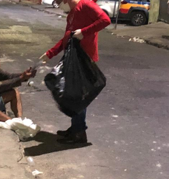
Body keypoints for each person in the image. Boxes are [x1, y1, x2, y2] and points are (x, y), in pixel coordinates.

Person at [39, 0, 110, 144]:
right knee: (74, 94)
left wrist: (84, 32)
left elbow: (105, 20)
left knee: (77, 96)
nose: (59, 5)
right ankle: (76, 128)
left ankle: (79, 132)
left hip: (83, 58)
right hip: (74, 59)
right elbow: (67, 37)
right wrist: (50, 53)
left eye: (59, 2)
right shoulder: (71, 14)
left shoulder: (86, 5)